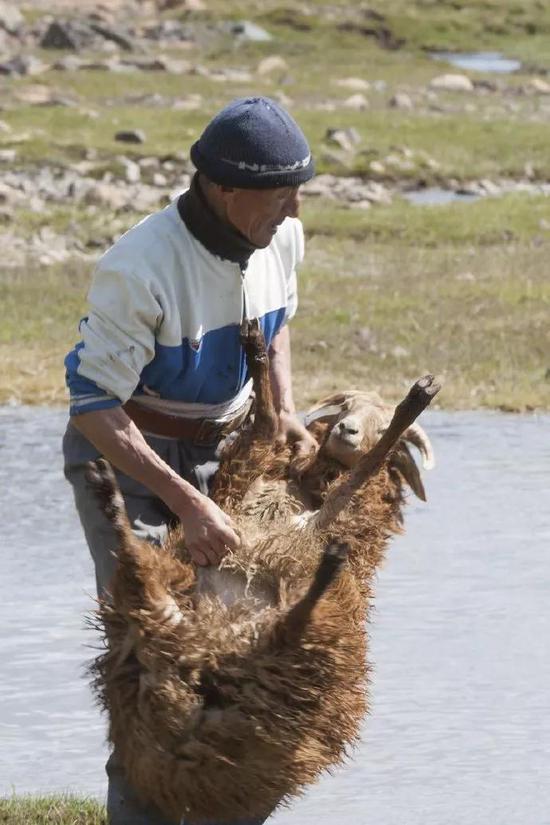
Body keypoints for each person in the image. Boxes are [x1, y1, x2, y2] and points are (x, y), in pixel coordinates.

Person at [62, 96, 318, 825]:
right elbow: (94, 408)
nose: (294, 209)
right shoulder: (139, 265)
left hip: (224, 448)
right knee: (150, 657)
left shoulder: (280, 238)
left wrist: (283, 408)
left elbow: (277, 321)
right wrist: (187, 501)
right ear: (225, 189)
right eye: (281, 193)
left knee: (243, 643)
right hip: (127, 459)